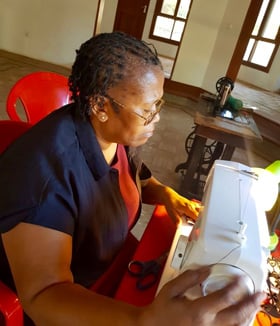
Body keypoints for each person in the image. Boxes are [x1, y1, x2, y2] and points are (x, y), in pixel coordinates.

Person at [0, 32, 264, 325]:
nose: (157, 118)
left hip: (110, 262)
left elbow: (135, 177)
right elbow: (44, 295)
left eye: (159, 106)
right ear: (100, 106)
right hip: (74, 300)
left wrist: (165, 194)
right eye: (148, 110)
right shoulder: (45, 178)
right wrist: (144, 320)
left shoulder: (117, 134)